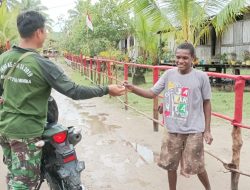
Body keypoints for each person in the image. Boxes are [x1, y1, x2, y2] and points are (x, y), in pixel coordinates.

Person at [0, 11, 125, 190]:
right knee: (24, 185)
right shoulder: (42, 63)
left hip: (4, 129)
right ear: (39, 32)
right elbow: (73, 90)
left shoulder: (3, 59)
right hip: (25, 134)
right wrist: (106, 89)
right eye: (45, 30)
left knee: (14, 173)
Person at [124, 42, 213, 190]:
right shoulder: (169, 75)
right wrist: (133, 89)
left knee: (197, 166)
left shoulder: (201, 77)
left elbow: (207, 103)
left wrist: (207, 130)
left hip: (194, 130)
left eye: (185, 58)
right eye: (178, 57)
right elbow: (152, 93)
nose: (180, 61)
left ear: (193, 59)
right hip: (172, 129)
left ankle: (209, 188)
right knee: (171, 165)